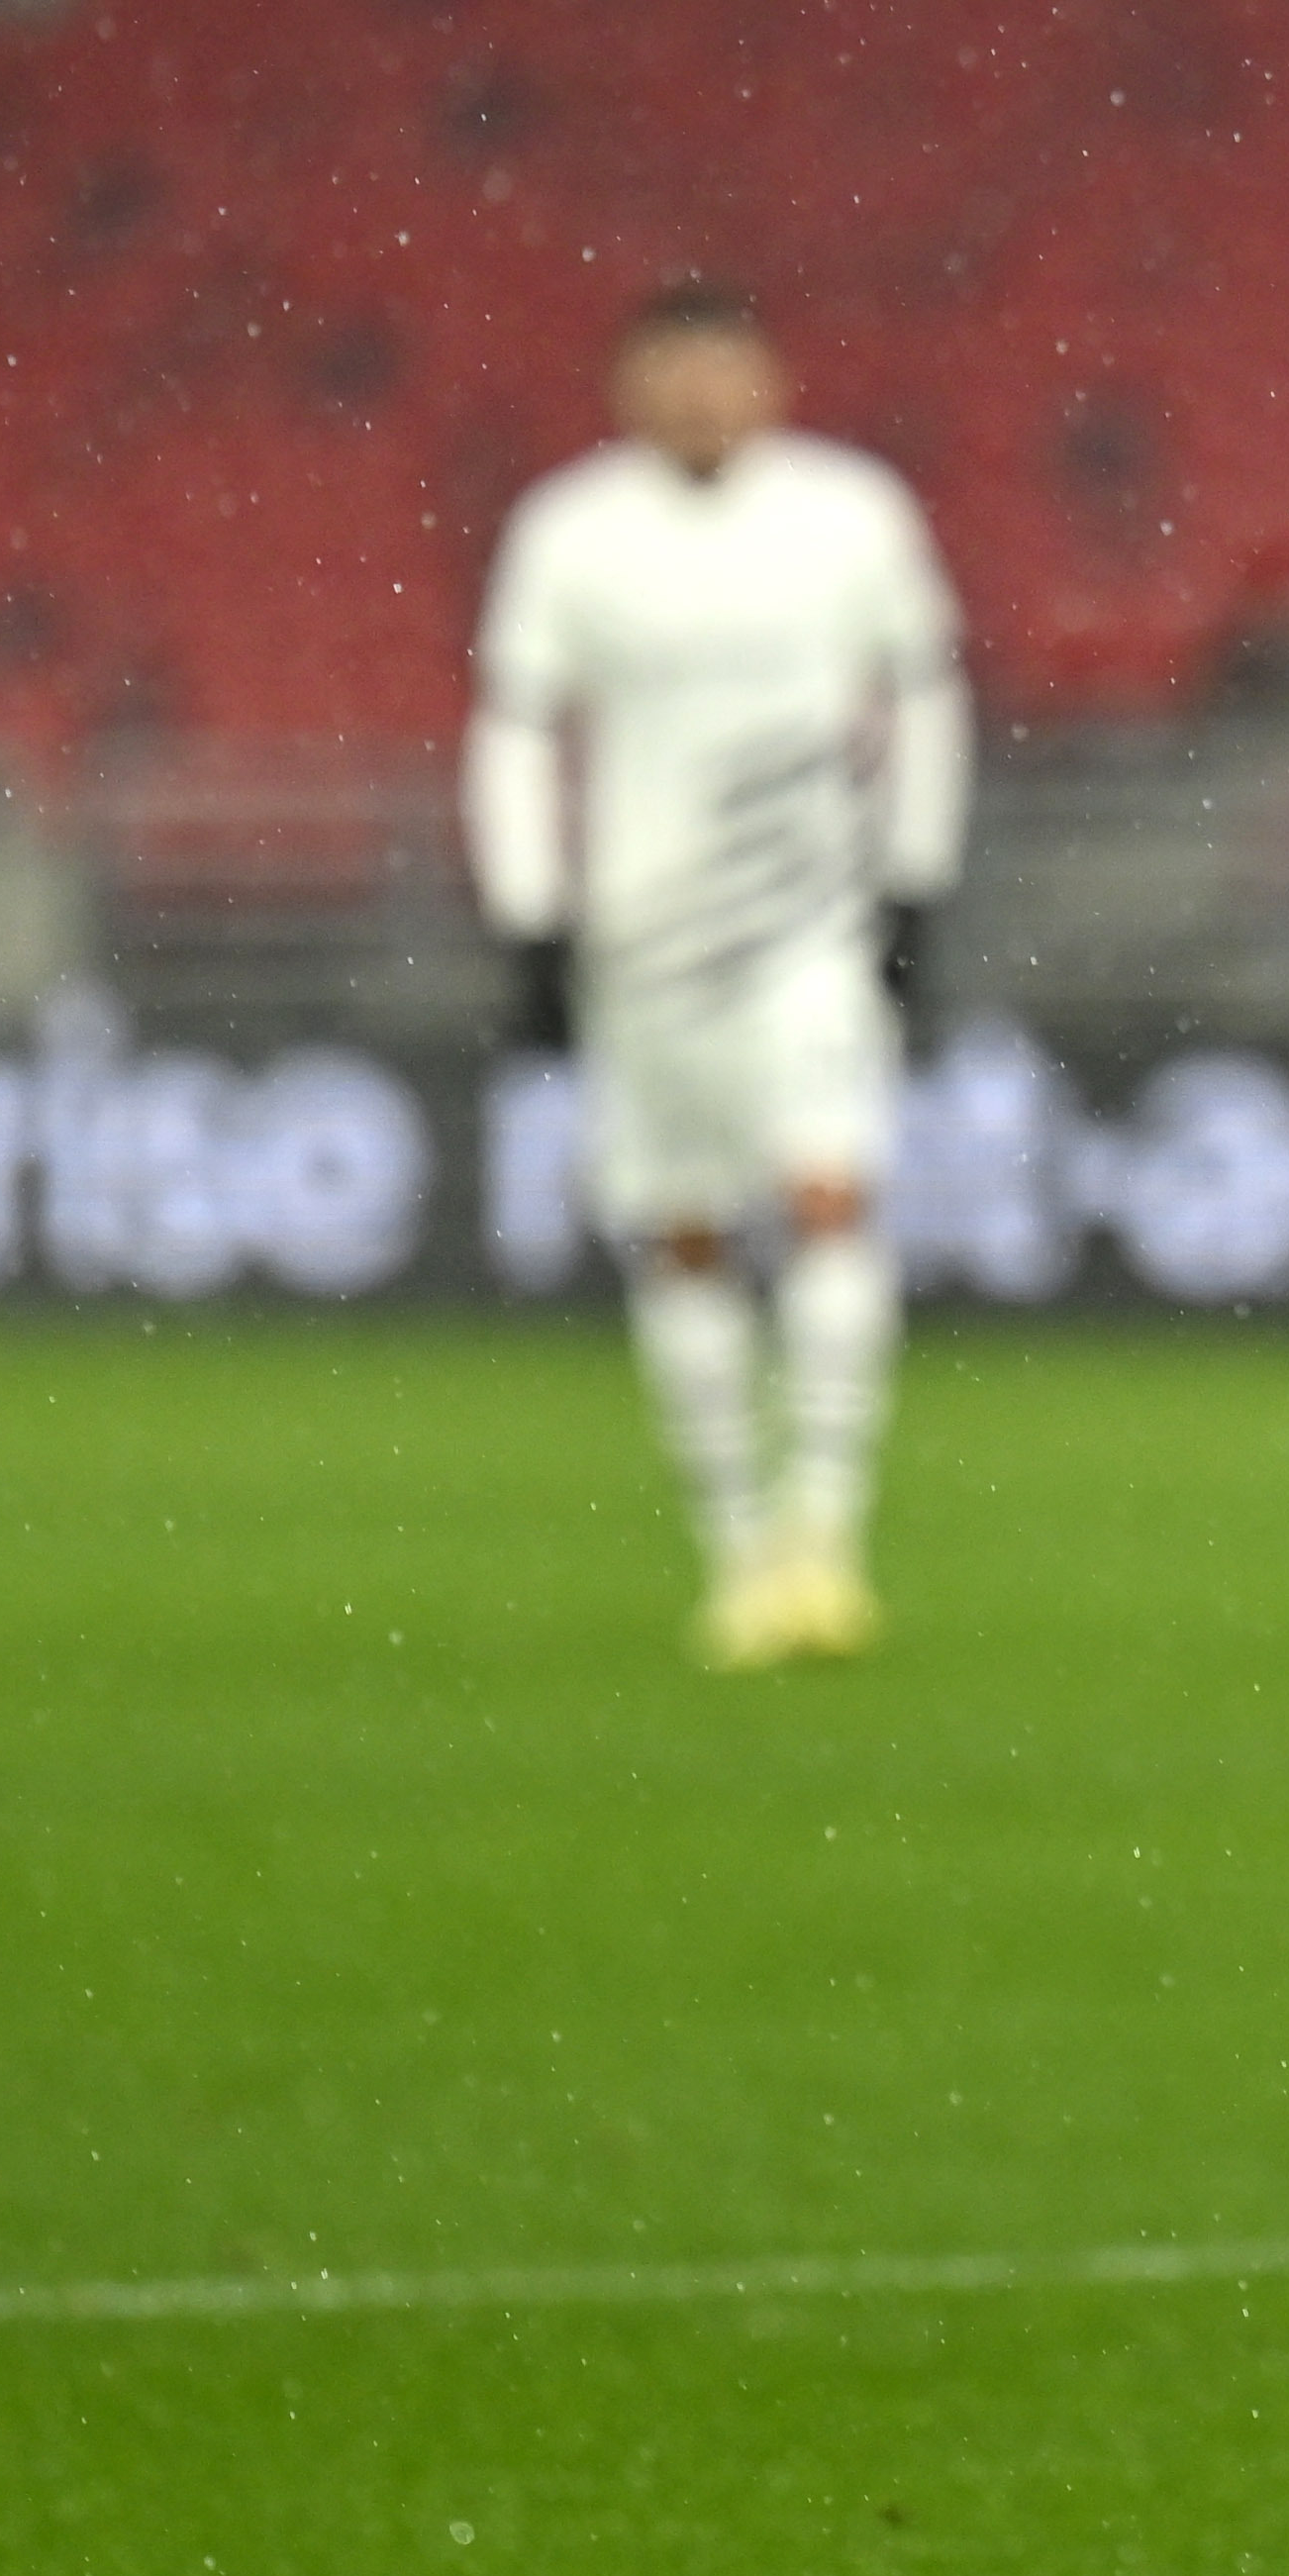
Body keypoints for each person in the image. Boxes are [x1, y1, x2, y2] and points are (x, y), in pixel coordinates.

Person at [463, 283, 967, 1668]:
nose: (697, 399)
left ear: (771, 383)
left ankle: (829, 1531)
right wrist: (530, 916)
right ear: (629, 393)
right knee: (682, 1233)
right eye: (671, 376)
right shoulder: (570, 531)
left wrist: (917, 881)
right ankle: (738, 1547)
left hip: (808, 923)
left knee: (827, 1199)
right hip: (645, 940)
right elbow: (514, 726)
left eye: (720, 373)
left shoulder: (850, 514)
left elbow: (926, 693)